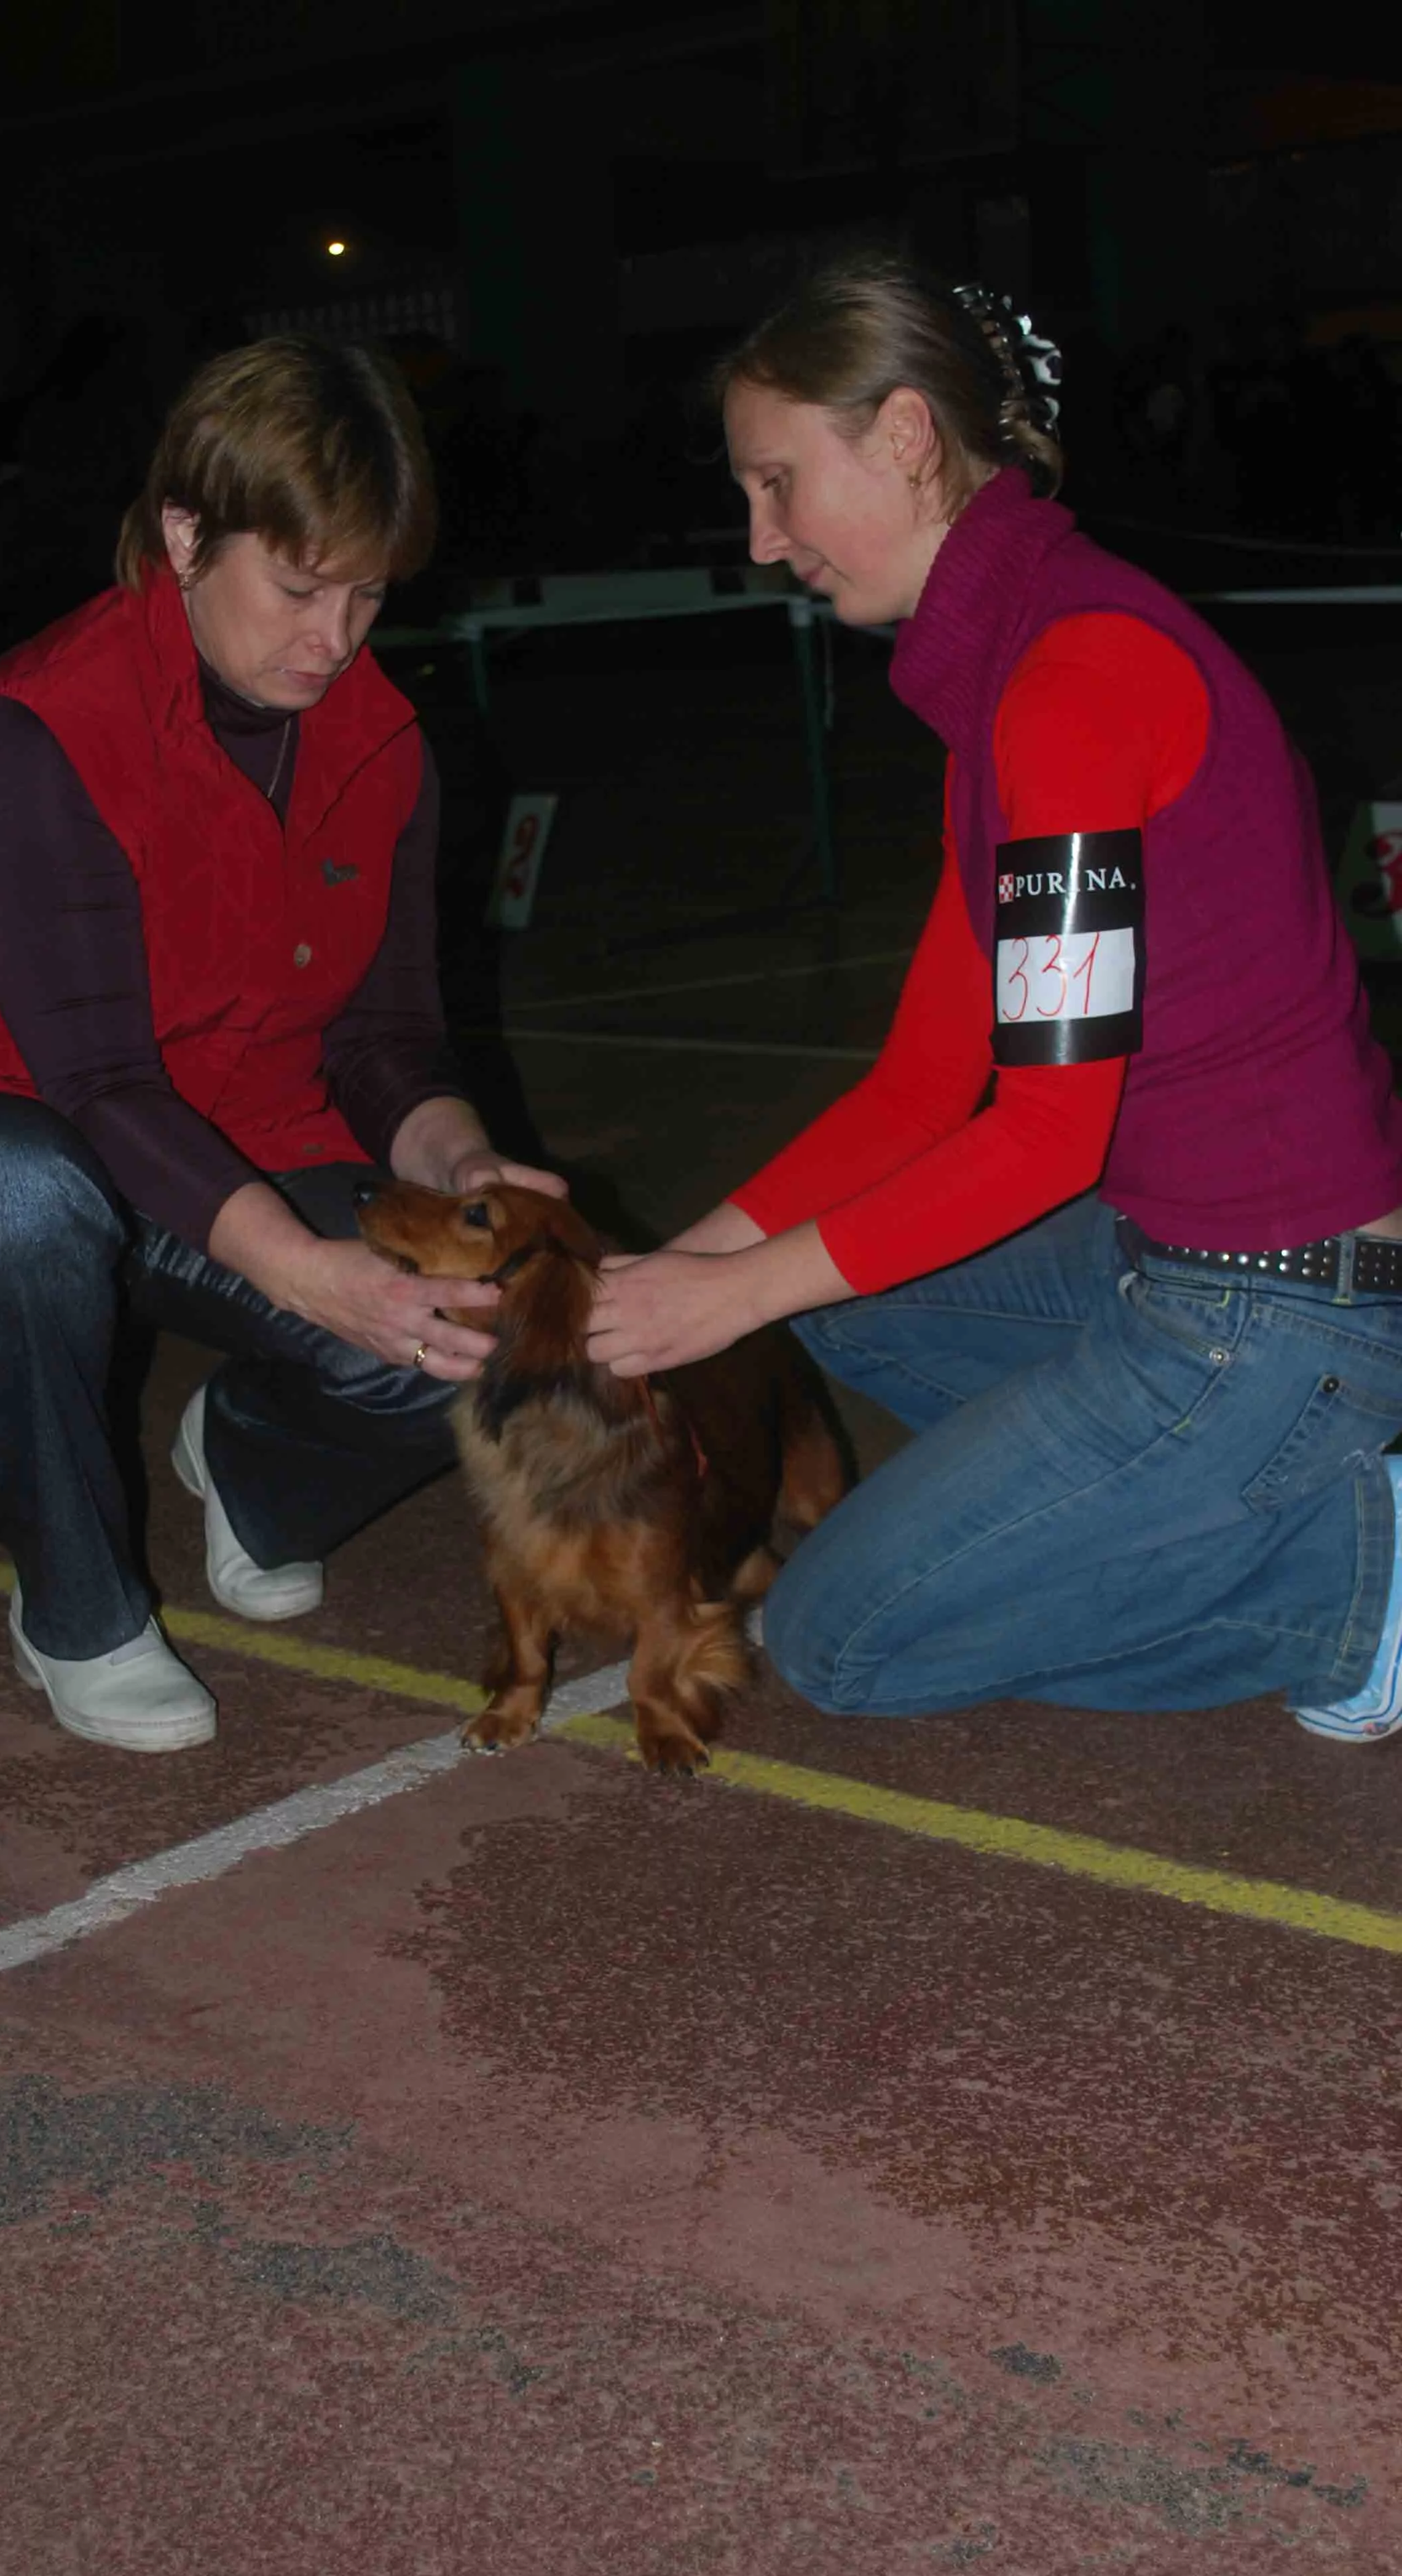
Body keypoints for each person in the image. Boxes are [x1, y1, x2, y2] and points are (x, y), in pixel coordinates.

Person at [588, 253, 1402, 1742]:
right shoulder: (1013, 680)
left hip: (1278, 1308)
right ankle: (1188, 1484)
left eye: (778, 482)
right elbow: (919, 1088)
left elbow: (1041, 1137)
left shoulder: (1071, 682)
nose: (762, 540)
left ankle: (1347, 1570)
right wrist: (665, 1284)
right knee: (850, 1299)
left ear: (905, 435)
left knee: (842, 1642)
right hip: (1180, 1260)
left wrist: (740, 1293)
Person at [0, 338, 559, 1754]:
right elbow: (99, 1082)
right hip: (16, 1139)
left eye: (370, 593)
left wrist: (464, 1165)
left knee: (491, 1320)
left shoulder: (384, 741)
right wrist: (307, 1271)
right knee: (1, 1206)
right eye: (300, 587)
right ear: (186, 535)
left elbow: (385, 1035)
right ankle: (76, 1604)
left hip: (252, 1142)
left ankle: (250, 1465)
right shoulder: (39, 731)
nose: (336, 638)